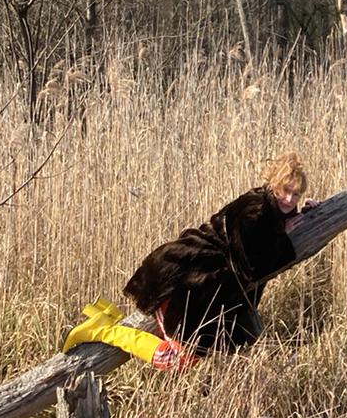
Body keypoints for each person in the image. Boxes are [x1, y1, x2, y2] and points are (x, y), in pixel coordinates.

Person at [121, 152, 318, 360]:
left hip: (210, 260)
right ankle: (165, 329)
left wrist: (304, 213)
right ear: (275, 184)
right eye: (286, 190)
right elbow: (251, 265)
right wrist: (285, 238)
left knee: (229, 332)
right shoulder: (256, 209)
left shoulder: (273, 205)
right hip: (191, 262)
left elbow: (271, 231)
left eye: (296, 194)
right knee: (190, 332)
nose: (289, 199)